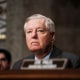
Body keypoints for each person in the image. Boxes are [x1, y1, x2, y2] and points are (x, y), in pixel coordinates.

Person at [13, 14, 80, 69]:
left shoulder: (73, 62)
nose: (33, 35)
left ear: (52, 36)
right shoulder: (18, 66)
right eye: (29, 31)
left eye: (40, 31)